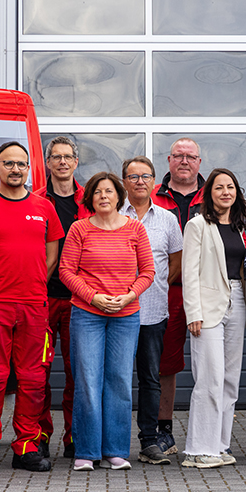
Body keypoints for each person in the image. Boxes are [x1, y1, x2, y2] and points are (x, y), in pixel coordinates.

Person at [0, 141, 64, 473]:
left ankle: (27, 446)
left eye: (21, 164)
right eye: (9, 164)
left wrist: (31, 285)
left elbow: (51, 256)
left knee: (33, 378)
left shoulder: (44, 208)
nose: (15, 169)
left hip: (33, 305)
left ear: (28, 167)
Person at [60, 171, 155, 471]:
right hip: (87, 314)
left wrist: (129, 296)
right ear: (90, 198)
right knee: (87, 381)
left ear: (119, 196)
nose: (103, 196)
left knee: (119, 382)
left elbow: (148, 272)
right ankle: (86, 452)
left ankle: (115, 451)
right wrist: (93, 297)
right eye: (98, 192)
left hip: (125, 316)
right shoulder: (79, 229)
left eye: (109, 191)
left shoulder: (135, 229)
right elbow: (66, 271)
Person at [181, 168, 246, 468]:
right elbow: (189, 272)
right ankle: (198, 448)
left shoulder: (239, 228)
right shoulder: (197, 225)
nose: (225, 192)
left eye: (230, 187)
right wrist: (192, 312)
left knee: (229, 380)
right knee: (209, 377)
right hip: (207, 307)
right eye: (219, 187)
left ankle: (219, 445)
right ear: (208, 193)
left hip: (238, 302)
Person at [120, 157, 183, 465]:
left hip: (153, 311)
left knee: (150, 378)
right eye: (133, 176)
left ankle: (149, 440)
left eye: (146, 176)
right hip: (115, 312)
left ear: (155, 182)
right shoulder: (111, 214)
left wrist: (151, 284)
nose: (140, 181)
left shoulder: (168, 219)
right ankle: (114, 442)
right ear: (124, 183)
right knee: (115, 378)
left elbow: (175, 262)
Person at [34, 136, 91, 459]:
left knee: (77, 371)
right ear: (49, 163)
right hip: (42, 297)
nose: (62, 162)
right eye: (56, 157)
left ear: (76, 162)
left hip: (80, 301)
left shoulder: (90, 201)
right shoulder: (37, 201)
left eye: (68, 157)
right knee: (37, 372)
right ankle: (39, 434)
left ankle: (75, 435)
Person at [151, 137, 205, 455]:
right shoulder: (153, 197)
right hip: (167, 291)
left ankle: (206, 433)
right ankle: (163, 430)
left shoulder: (212, 195)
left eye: (191, 156)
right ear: (169, 160)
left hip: (207, 290)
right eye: (179, 155)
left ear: (200, 162)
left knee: (210, 363)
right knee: (165, 364)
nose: (184, 161)